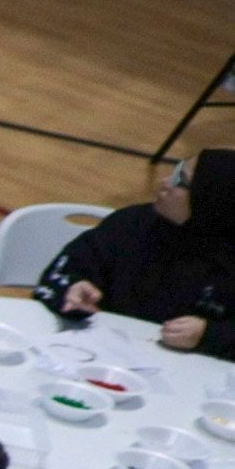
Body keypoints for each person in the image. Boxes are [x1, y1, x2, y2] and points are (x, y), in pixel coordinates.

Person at [42, 147, 232, 344]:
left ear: (210, 199)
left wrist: (208, 335)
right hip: (98, 347)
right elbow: (61, 272)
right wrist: (73, 288)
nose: (164, 183)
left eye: (180, 182)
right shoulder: (132, 223)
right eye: (175, 170)